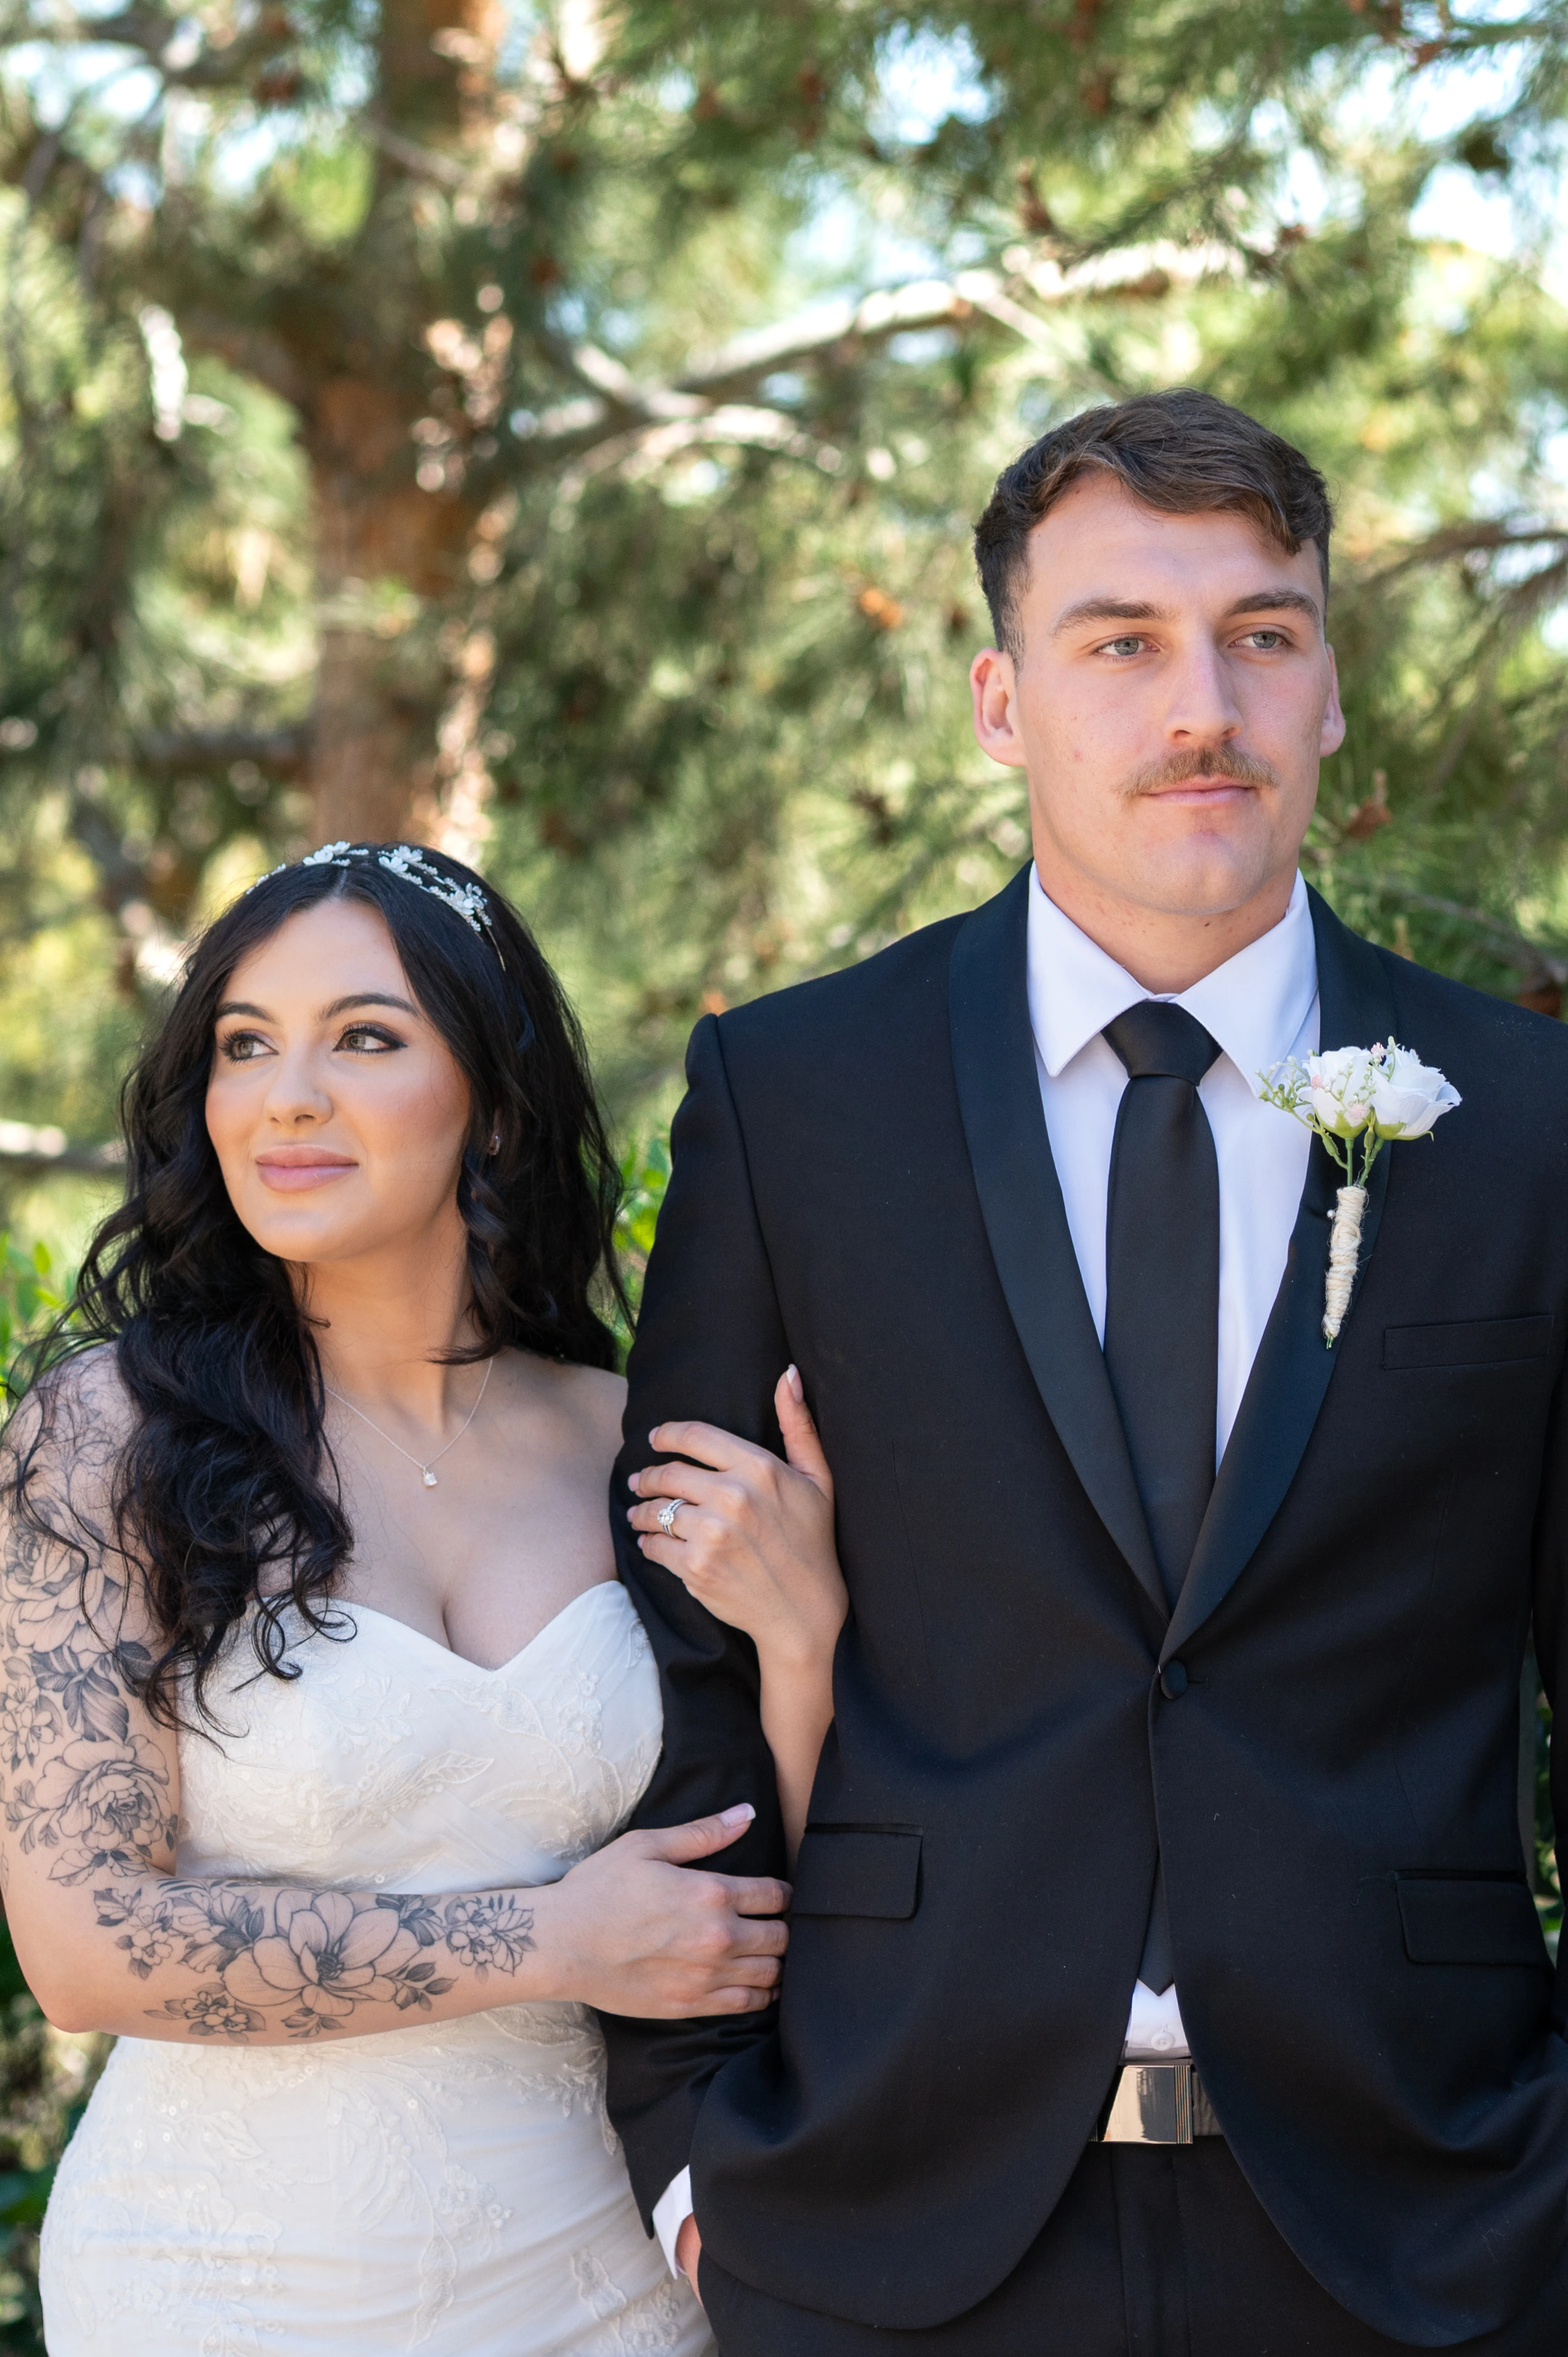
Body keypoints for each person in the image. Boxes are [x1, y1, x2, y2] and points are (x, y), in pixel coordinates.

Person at [603, 390, 1568, 2353]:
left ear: (1325, 690)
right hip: (892, 2220)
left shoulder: (1533, 1121)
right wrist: (693, 2159)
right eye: (1118, 640)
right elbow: (674, 1661)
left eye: (1262, 635)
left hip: (1429, 2226)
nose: (1197, 702)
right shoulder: (792, 1100)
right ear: (997, 703)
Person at [2, 841, 810, 2357]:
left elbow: (786, 1867)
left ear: (493, 1100)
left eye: (364, 1038)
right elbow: (85, 1946)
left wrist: (810, 1631)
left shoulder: (628, 1436)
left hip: (611, 2286)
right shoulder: (100, 1444)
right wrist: (552, 1945)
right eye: (247, 1046)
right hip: (219, 2289)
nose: (286, 1096)